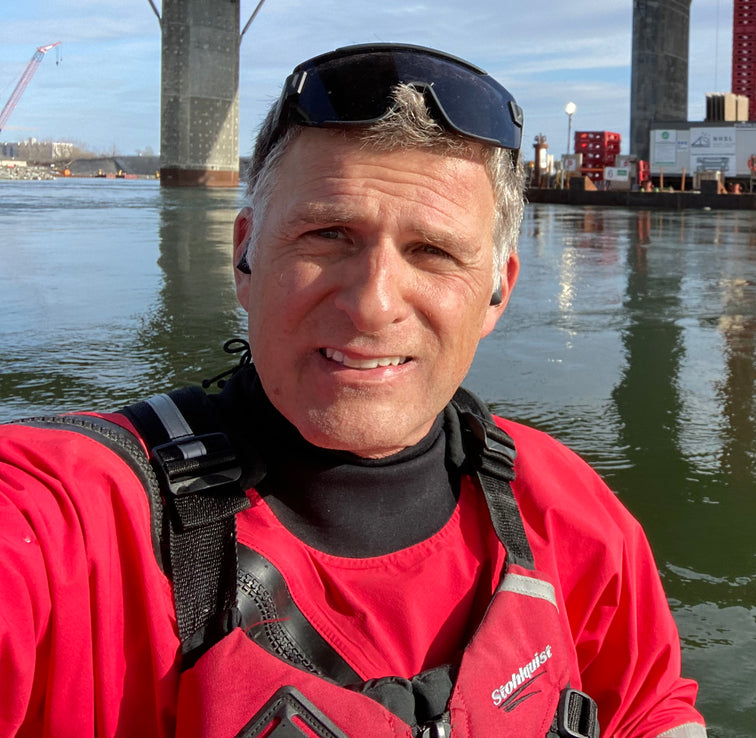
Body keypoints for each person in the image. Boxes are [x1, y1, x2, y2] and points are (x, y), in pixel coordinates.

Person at [0, 44, 706, 738]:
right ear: (245, 258)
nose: (373, 305)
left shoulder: (572, 516)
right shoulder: (76, 525)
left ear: (496, 294)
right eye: (328, 234)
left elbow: (649, 708)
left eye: (432, 252)